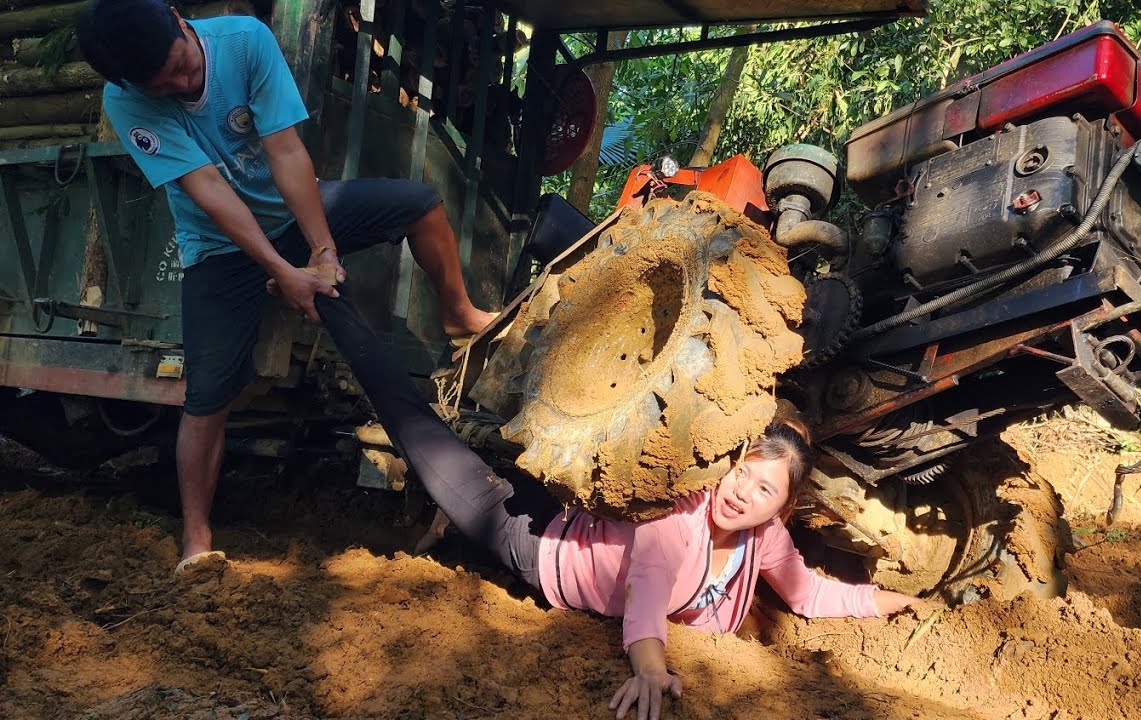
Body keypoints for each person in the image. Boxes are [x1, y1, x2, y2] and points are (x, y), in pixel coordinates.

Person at [310, 295, 928, 720]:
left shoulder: (763, 540)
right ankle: (333, 304)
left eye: (764, 490)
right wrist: (651, 671)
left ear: (781, 508)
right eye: (741, 473)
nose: (742, 492)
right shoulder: (679, 518)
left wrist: (887, 601)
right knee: (422, 436)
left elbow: (809, 594)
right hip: (530, 541)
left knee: (461, 455)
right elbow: (648, 601)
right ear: (726, 461)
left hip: (561, 524)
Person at [76, 0, 495, 571]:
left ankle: (460, 315)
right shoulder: (124, 99)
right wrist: (281, 272)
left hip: (294, 211)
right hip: (219, 248)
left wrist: (321, 254)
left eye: (180, 64)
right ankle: (197, 542)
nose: (179, 83)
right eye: (162, 84)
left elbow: (286, 150)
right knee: (206, 398)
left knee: (422, 206)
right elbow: (206, 190)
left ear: (180, 20)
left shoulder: (244, 42)